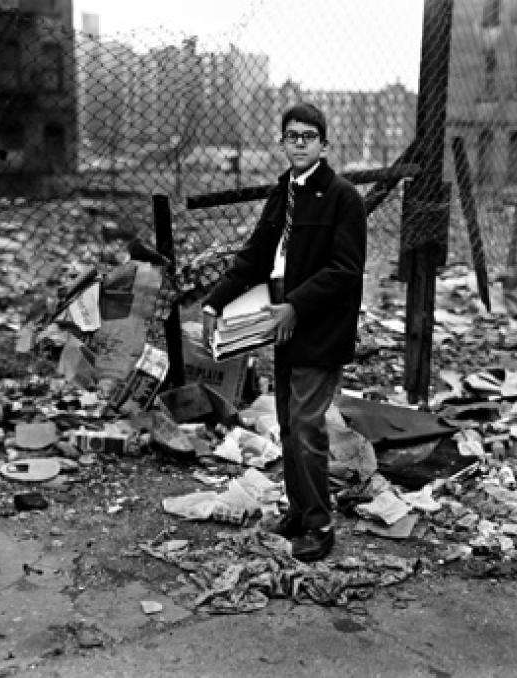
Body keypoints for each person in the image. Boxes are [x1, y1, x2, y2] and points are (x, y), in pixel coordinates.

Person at [201, 102, 367, 562]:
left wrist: (295, 304)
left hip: (319, 328)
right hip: (282, 328)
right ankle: (298, 511)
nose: (299, 143)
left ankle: (319, 525)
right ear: (282, 143)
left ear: (324, 144)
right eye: (291, 136)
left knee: (309, 428)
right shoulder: (283, 195)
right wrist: (215, 300)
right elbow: (254, 257)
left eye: (308, 136)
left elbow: (346, 270)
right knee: (291, 426)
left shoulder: (342, 197)